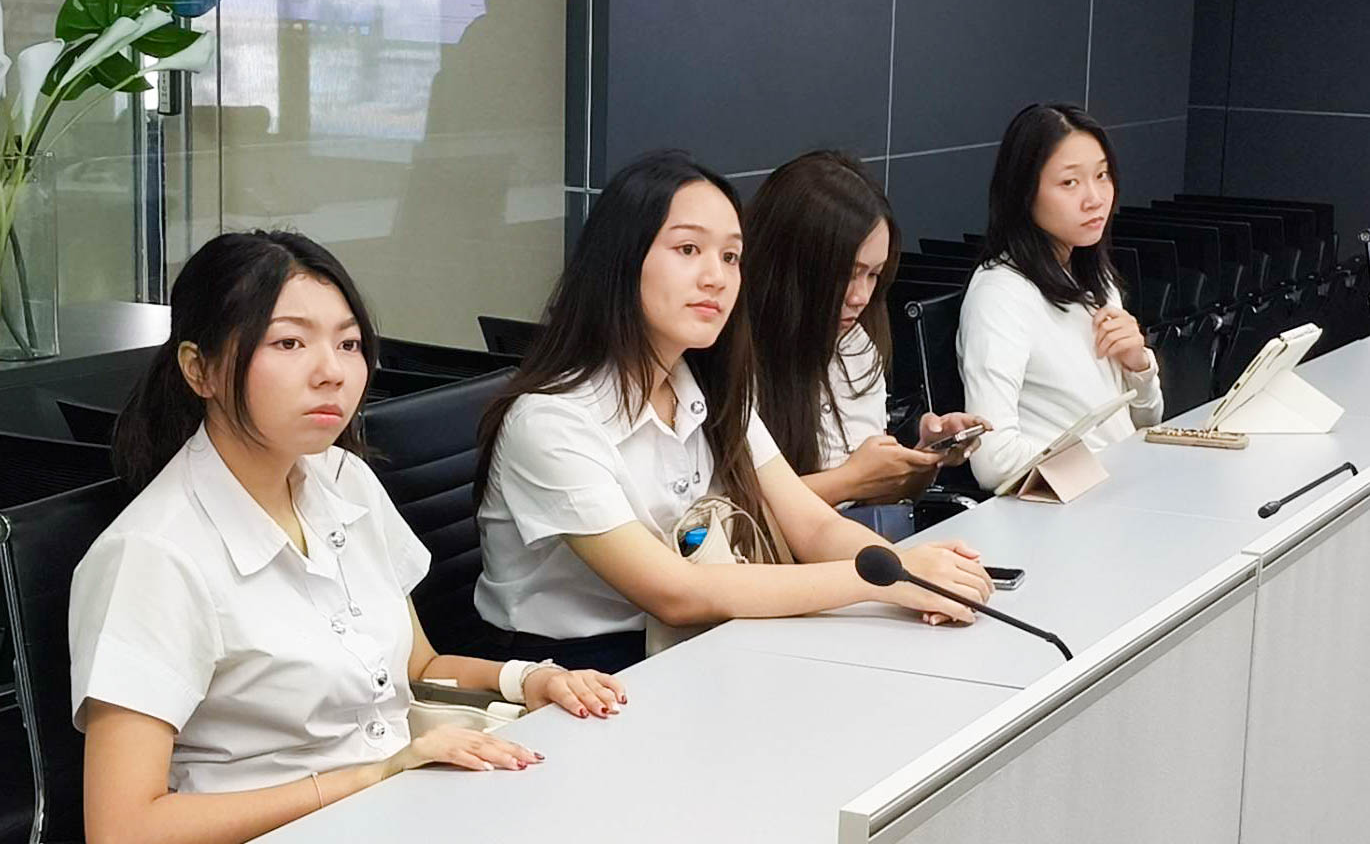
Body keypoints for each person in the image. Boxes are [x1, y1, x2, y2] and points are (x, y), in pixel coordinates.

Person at [69, 231, 624, 844]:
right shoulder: (152, 554)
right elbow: (123, 828)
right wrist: (370, 777)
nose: (331, 372)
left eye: (348, 343)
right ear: (199, 369)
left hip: (400, 808)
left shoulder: (343, 477)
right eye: (288, 342)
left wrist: (529, 680)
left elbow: (418, 667)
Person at [473, 151, 993, 674]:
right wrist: (885, 580)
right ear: (622, 259)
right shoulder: (550, 422)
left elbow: (812, 527)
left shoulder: (707, 385)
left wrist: (913, 572)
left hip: (698, 646)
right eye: (688, 249)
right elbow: (676, 593)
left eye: (730, 257)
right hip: (579, 674)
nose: (716, 278)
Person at [742, 150, 989, 535]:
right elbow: (732, 516)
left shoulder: (855, 344)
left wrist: (922, 460)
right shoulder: (733, 363)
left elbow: (876, 501)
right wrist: (850, 480)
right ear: (791, 266)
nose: (861, 296)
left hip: (855, 546)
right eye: (847, 273)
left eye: (873, 275)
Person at [957, 104, 1163, 491]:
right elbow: (994, 459)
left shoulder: (1094, 275)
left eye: (1102, 175)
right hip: (1070, 506)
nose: (1095, 198)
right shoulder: (1001, 294)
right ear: (1024, 192)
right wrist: (1104, 464)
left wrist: (1139, 366)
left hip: (1118, 491)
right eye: (1069, 183)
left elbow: (1145, 422)